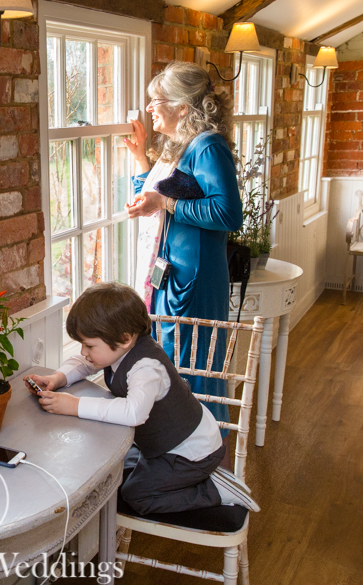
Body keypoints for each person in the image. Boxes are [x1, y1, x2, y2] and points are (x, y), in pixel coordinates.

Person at [24, 283, 257, 515]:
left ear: (124, 338)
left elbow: (133, 412)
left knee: (137, 495)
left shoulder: (146, 367)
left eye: (89, 345)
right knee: (116, 467)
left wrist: (74, 405)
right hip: (164, 442)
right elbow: (84, 363)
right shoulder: (117, 349)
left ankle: (216, 489)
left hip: (190, 452)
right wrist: (58, 378)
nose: (84, 352)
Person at [124, 61, 243, 423]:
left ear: (180, 107)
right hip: (174, 273)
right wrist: (140, 159)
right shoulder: (182, 145)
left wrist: (167, 203)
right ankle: (179, 444)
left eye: (156, 99)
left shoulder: (207, 147)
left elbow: (228, 214)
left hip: (195, 279)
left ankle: (203, 450)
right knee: (175, 364)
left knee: (194, 368)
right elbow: (160, 197)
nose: (149, 108)